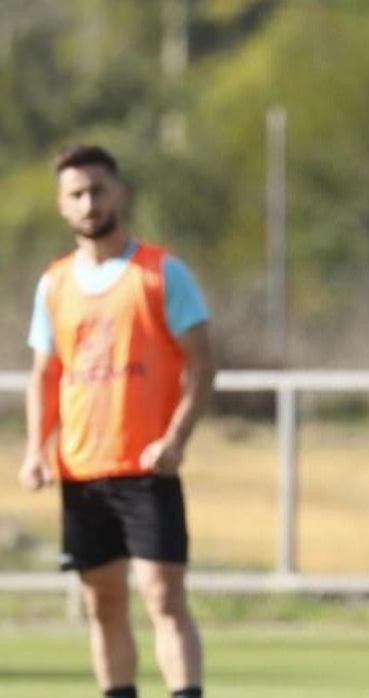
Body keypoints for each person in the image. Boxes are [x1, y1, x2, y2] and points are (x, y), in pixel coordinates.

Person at [19, 145, 215, 698]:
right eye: (76, 194)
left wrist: (176, 439)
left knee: (162, 594)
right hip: (83, 470)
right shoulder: (54, 284)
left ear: (120, 194)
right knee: (102, 601)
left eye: (98, 190)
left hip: (146, 464)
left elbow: (203, 364)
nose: (89, 203)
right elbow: (46, 374)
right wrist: (37, 449)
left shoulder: (159, 273)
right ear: (62, 205)